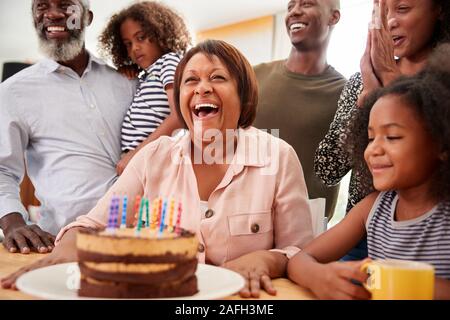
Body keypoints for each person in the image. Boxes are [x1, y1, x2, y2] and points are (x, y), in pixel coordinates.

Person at [1, 40, 314, 298]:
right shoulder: (155, 156)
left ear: (243, 95)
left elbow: (300, 251)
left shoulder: (279, 156)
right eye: (191, 80)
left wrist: (266, 259)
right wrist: (69, 248)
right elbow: (91, 225)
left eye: (217, 78)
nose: (202, 88)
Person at [288, 45, 450, 300]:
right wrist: (321, 277)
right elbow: (300, 260)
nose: (373, 150)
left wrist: (398, 282)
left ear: (442, 144)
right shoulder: (374, 207)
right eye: (371, 137)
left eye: (393, 136)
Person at [315, 0, 450, 260]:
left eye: (402, 9)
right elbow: (326, 169)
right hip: (363, 234)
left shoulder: (442, 83)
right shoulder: (360, 81)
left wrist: (389, 85)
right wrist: (364, 105)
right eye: (382, 13)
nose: (389, 22)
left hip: (433, 238)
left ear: (439, 9)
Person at [0, 0, 134, 254]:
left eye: (66, 5)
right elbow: (1, 169)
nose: (53, 14)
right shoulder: (13, 92)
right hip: (61, 245)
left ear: (87, 17)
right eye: (41, 7)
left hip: (139, 238)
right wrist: (13, 222)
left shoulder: (126, 82)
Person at [253, 0, 346, 219]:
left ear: (334, 17)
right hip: (241, 220)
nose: (294, 12)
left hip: (305, 228)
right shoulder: (253, 77)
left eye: (306, 4)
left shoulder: (345, 93)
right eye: (290, 6)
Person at [98, 1, 191, 175]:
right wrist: (130, 71)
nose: (135, 48)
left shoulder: (169, 62)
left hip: (151, 159)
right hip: (140, 159)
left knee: (125, 202)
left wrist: (135, 154)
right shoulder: (148, 75)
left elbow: (179, 115)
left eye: (141, 37)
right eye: (128, 44)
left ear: (159, 34)